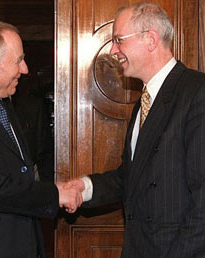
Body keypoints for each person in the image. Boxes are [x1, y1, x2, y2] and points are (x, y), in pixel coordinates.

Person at [63, 2, 205, 258]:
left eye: (118, 40)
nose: (113, 50)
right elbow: (132, 177)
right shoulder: (144, 101)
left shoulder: (197, 93)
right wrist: (84, 188)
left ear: (150, 39)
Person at [0, 19, 82, 258]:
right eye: (18, 60)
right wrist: (54, 194)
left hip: (19, 241)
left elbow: (18, 171)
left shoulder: (2, 101)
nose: (26, 69)